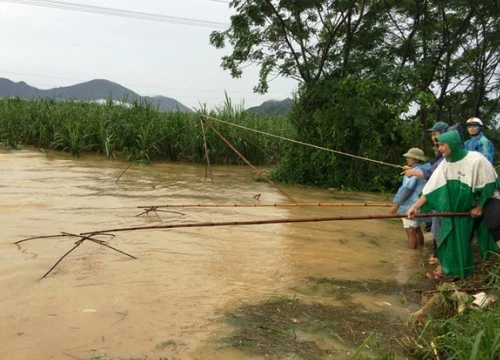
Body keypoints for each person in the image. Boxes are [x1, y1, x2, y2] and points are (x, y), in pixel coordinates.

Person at [406, 130, 499, 279]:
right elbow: (431, 188)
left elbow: (489, 184)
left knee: (493, 229)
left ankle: (492, 266)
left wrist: (480, 206)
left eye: (442, 145)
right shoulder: (445, 164)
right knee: (452, 232)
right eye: (438, 145)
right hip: (467, 205)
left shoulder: (476, 160)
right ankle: (455, 269)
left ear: (453, 144)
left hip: (489, 199)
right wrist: (415, 206)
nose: (439, 148)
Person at [388, 148, 427, 249]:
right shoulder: (422, 170)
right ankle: (420, 252)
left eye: (410, 157)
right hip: (421, 206)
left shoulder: (413, 173)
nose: (407, 159)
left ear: (416, 159)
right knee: (417, 229)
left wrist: (396, 204)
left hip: (411, 206)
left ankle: (412, 257)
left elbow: (406, 190)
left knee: (410, 231)